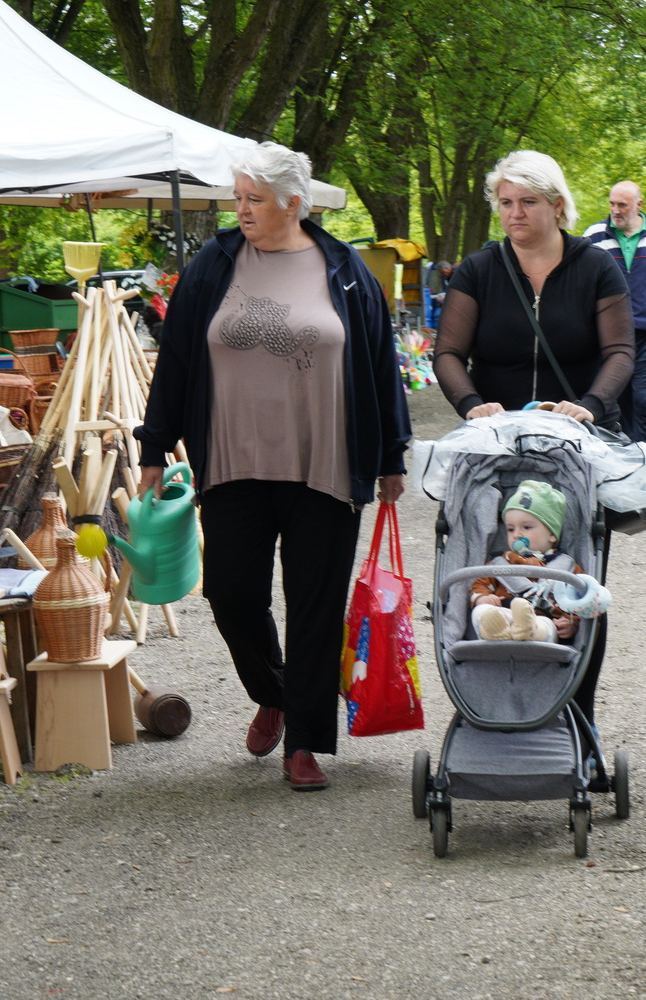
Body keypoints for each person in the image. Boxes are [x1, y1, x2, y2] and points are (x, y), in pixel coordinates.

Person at [133, 142, 411, 792]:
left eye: (254, 199)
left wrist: (391, 455)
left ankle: (305, 744)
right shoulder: (214, 265)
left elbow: (379, 362)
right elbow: (177, 357)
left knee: (315, 606)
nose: (242, 209)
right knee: (231, 595)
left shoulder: (344, 269)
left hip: (326, 465)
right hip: (233, 462)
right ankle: (277, 693)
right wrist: (153, 446)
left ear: (294, 202)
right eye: (238, 198)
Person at [433, 150, 634, 428]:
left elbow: (621, 351)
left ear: (557, 205)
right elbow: (448, 353)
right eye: (506, 203)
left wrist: (591, 406)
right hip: (497, 433)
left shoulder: (598, 267)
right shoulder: (476, 270)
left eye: (528, 201)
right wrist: (471, 404)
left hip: (582, 432)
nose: (516, 213)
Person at [581, 181, 646, 450]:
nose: (615, 210)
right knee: (613, 405)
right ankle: (622, 465)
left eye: (622, 205)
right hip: (608, 339)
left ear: (639, 205)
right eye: (612, 204)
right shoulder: (593, 236)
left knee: (645, 403)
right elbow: (581, 285)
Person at [470, 480, 585, 643]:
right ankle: (495, 631)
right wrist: (483, 598)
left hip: (542, 620)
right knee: (482, 611)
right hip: (505, 615)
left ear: (552, 534)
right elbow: (480, 584)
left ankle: (529, 631)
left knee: (546, 626)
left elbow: (579, 599)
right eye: (511, 529)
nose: (516, 535)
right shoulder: (502, 562)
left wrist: (571, 623)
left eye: (527, 527)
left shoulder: (567, 567)